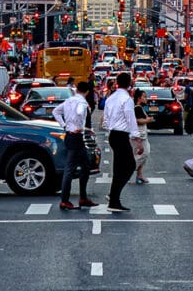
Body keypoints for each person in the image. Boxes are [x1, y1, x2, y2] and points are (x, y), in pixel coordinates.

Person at [56, 79, 98, 211]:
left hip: (69, 135)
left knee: (85, 166)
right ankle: (65, 200)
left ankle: (83, 197)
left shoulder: (69, 100)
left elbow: (55, 112)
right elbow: (80, 112)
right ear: (87, 91)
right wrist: (80, 126)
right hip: (76, 136)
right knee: (70, 169)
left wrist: (65, 125)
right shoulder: (82, 102)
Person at [101, 70, 139, 213]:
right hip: (122, 135)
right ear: (129, 84)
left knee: (119, 168)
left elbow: (106, 117)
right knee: (130, 166)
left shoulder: (111, 98)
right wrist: (137, 137)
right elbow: (131, 118)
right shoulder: (127, 99)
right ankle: (113, 195)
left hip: (113, 134)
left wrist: (108, 125)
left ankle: (114, 199)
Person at [132, 87, 151, 185]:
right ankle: (129, 169)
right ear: (139, 98)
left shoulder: (140, 108)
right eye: (144, 97)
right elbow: (137, 121)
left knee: (143, 154)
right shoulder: (137, 108)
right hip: (139, 135)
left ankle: (139, 174)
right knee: (144, 154)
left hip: (142, 135)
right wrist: (148, 120)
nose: (146, 98)